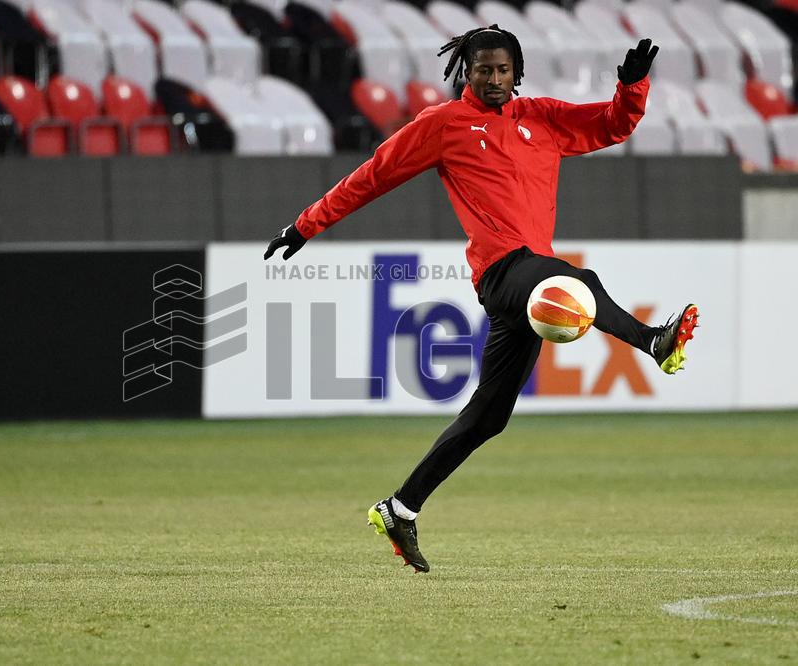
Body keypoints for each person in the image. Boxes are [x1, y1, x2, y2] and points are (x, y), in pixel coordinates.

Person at [263, 27, 699, 573]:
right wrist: (305, 226)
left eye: (502, 70)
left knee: (488, 418)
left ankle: (400, 508)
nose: (493, 80)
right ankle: (654, 341)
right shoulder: (442, 126)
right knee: (573, 282)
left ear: (517, 71)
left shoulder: (542, 116)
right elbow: (372, 177)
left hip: (530, 284)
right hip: (501, 273)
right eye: (482, 70)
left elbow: (612, 124)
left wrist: (631, 85)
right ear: (463, 73)